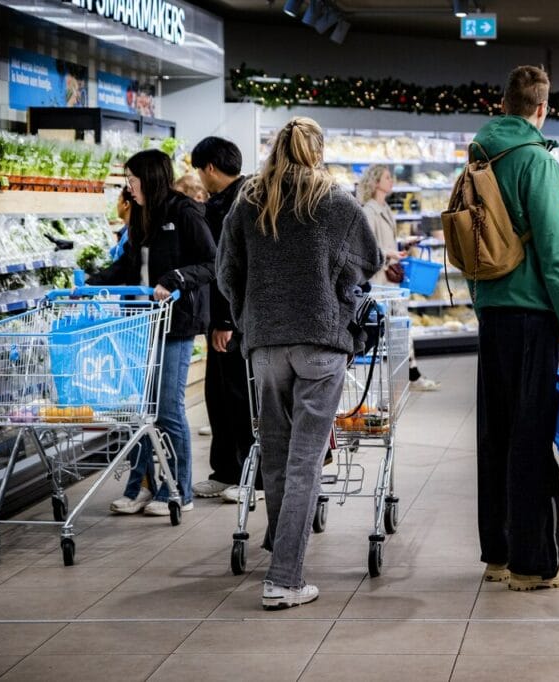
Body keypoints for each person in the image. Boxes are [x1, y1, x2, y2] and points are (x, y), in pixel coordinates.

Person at [217, 116, 381, 610]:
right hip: (321, 342)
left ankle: (278, 545)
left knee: (275, 452)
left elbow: (227, 272)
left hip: (265, 344)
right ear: (319, 151)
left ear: (275, 150)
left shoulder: (248, 202)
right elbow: (366, 263)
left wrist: (250, 314)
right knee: (308, 460)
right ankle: (285, 577)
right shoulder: (337, 203)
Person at [470, 65, 559, 591]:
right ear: (542, 109)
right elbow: (554, 253)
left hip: (492, 310)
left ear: (504, 103)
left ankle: (497, 554)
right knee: (530, 436)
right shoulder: (535, 159)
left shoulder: (481, 154)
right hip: (531, 316)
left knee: (494, 434)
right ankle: (532, 563)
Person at [91, 149, 217, 517]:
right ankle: (140, 488)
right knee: (142, 412)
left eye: (132, 180)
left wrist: (175, 278)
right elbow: (129, 265)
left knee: (167, 410)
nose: (128, 188)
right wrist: (92, 284)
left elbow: (212, 262)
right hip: (142, 323)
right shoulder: (142, 215)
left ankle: (177, 491)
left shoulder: (184, 212)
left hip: (176, 323)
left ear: (150, 177)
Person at [188, 137, 256, 503]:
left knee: (239, 395)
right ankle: (227, 470)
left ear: (210, 168)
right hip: (225, 316)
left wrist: (226, 321)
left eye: (200, 170)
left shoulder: (243, 202)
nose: (200, 178)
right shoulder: (225, 201)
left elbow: (235, 267)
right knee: (219, 395)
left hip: (238, 319)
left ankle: (249, 474)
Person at [356, 164, 440, 391]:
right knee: (396, 327)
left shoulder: (385, 210)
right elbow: (367, 250)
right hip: (379, 282)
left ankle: (410, 375)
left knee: (401, 326)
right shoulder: (369, 212)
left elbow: (385, 244)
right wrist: (388, 254)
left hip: (392, 280)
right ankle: (410, 376)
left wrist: (403, 244)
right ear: (375, 183)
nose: (391, 180)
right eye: (386, 177)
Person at [110, 188, 133, 262]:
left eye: (119, 199)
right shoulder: (128, 232)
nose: (117, 204)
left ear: (126, 204)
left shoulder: (130, 236)